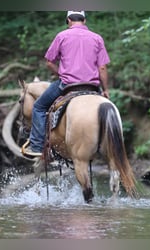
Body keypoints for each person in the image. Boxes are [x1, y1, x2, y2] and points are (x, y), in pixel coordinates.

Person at [22, 10, 111, 157]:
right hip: (92, 87)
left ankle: (37, 146)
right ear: (85, 20)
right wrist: (106, 89)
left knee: (38, 107)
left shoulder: (62, 36)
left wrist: (60, 74)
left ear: (68, 20)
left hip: (67, 85)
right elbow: (102, 67)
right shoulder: (97, 38)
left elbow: (49, 62)